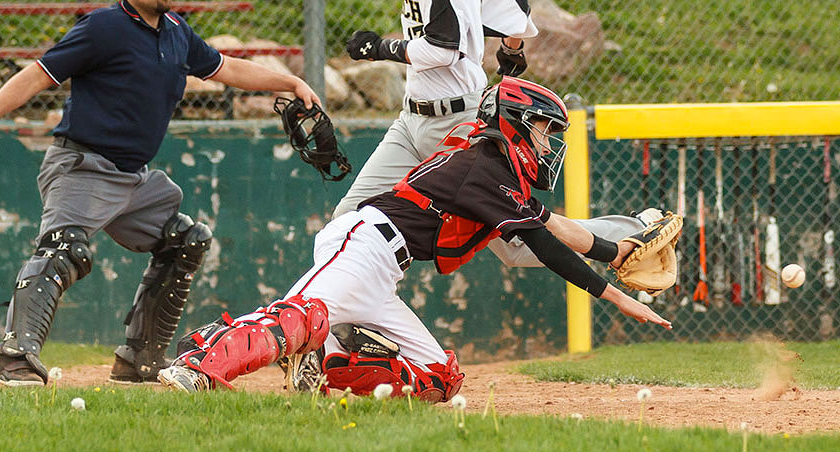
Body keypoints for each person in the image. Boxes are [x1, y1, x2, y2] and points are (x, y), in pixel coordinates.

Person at [156, 78, 673, 399]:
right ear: (513, 123)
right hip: (365, 243)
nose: (546, 142)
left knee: (438, 378)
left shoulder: (497, 169)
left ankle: (328, 360)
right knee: (302, 314)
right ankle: (202, 364)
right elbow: (545, 248)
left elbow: (552, 227)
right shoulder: (484, 166)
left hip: (385, 269)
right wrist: (618, 297)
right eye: (541, 129)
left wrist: (615, 252)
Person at [0, 0, 320, 387]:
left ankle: (139, 359)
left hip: (134, 178)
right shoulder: (101, 29)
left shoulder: (176, 31)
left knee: (185, 240)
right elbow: (38, 74)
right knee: (63, 249)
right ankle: (13, 359)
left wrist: (289, 82)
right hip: (82, 164)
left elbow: (225, 68)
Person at [337, 0, 660, 265]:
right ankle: (348, 325)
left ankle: (636, 232)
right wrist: (510, 51)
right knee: (349, 222)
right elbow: (517, 10)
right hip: (412, 121)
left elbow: (442, 49)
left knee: (515, 244)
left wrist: (379, 49)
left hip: (456, 125)